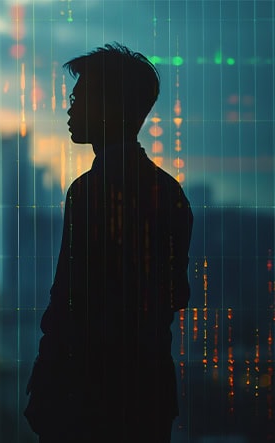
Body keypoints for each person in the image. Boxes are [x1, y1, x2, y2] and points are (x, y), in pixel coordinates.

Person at [24, 43, 193, 442]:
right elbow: (175, 293)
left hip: (88, 394)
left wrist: (48, 372)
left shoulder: (89, 192)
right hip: (147, 392)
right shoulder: (168, 193)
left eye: (79, 99)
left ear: (110, 108)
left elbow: (69, 298)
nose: (69, 109)